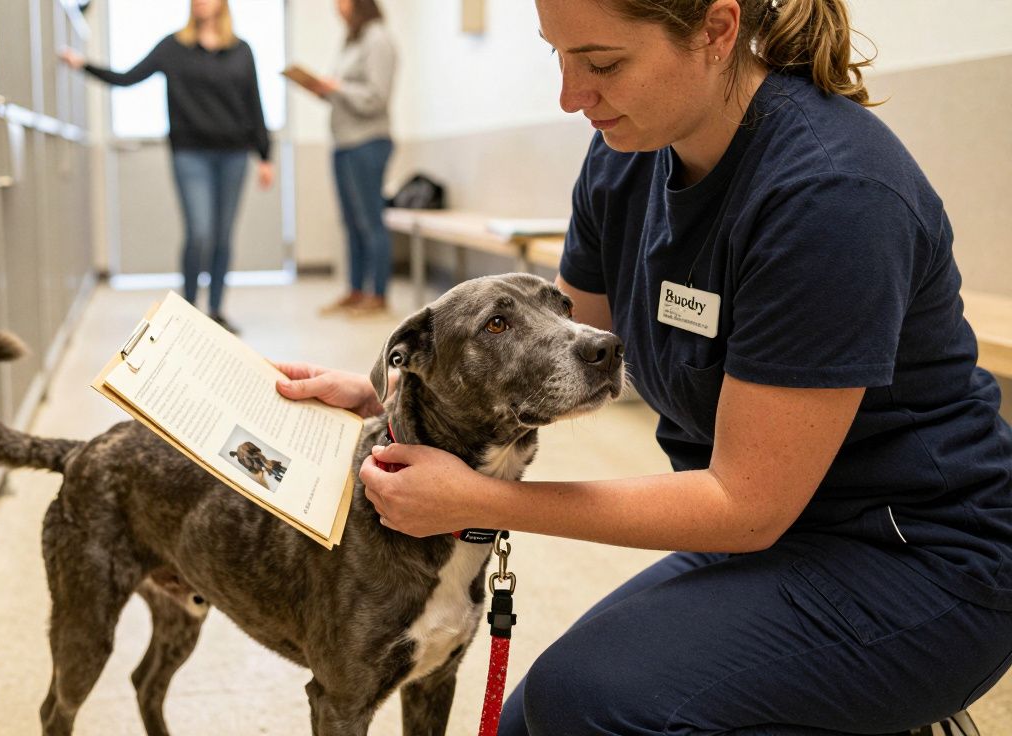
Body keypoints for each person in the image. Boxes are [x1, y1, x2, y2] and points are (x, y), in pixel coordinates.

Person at [275, 0, 1012, 733]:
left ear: (718, 31)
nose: (570, 96)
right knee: (534, 718)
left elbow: (746, 504)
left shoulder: (830, 195)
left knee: (595, 710)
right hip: (761, 538)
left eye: (603, 64)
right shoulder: (624, 156)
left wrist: (481, 502)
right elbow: (560, 360)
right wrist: (404, 399)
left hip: (914, 560)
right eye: (557, 56)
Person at [60, 0, 272, 334]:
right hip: (190, 155)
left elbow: (253, 103)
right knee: (199, 232)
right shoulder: (174, 47)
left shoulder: (241, 50)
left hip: (233, 156)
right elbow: (127, 77)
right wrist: (84, 65)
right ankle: (188, 311)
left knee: (222, 236)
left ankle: (216, 310)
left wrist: (265, 155)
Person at [309, 0, 398, 317]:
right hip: (344, 143)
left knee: (370, 221)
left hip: (368, 143)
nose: (336, 6)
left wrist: (338, 88)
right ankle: (356, 290)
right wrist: (327, 90)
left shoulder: (377, 38)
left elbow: (376, 97)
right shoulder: (353, 38)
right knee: (350, 223)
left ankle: (379, 295)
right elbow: (348, 88)